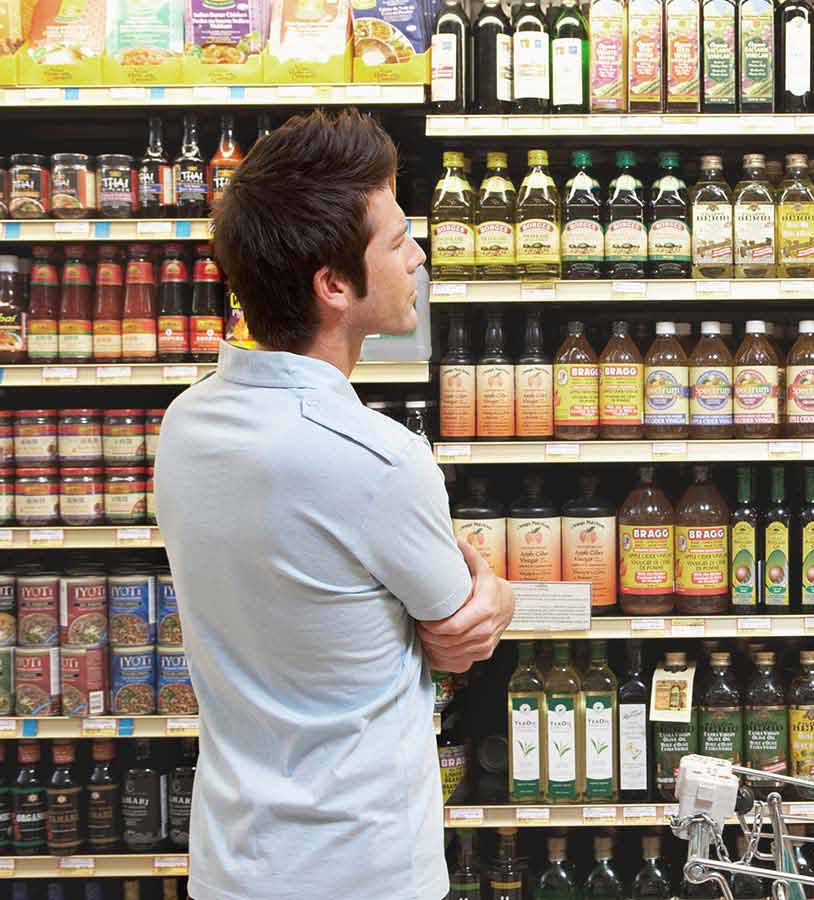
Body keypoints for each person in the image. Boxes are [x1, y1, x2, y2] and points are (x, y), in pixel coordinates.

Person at [153, 109, 514, 900]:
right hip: (363, 870)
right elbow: (462, 634)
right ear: (335, 285)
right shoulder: (379, 459)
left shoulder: (184, 426)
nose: (417, 255)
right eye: (395, 241)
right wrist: (497, 589)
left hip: (232, 864)